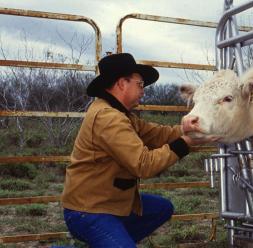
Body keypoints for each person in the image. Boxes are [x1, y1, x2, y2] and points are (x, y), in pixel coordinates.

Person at [61, 53, 218, 247]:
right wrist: (185, 143)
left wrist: (186, 130)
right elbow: (143, 165)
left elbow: (157, 134)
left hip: (110, 202)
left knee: (162, 209)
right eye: (140, 85)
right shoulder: (108, 117)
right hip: (88, 210)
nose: (143, 91)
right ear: (121, 83)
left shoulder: (120, 113)